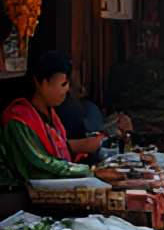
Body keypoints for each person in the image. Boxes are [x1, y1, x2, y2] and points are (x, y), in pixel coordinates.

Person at [0, 51, 94, 184]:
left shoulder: (52, 118)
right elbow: (40, 166)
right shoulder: (19, 121)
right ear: (40, 83)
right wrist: (86, 170)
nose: (67, 89)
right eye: (63, 84)